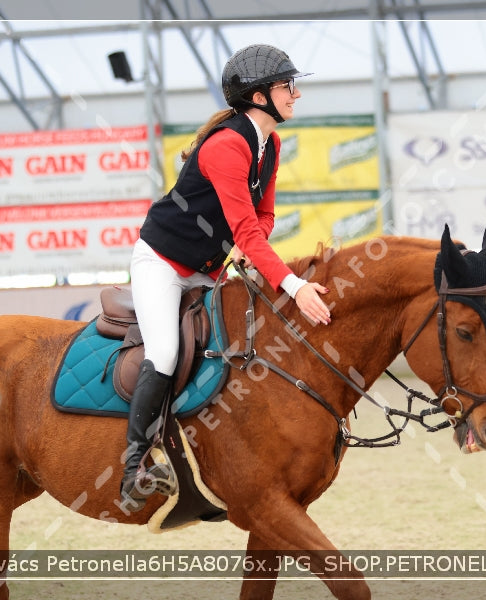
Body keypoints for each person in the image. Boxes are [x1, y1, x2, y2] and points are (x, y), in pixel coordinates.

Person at [120, 44, 333, 508]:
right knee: (165, 349)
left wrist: (248, 251)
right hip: (162, 263)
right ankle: (134, 465)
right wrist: (293, 286)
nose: (296, 94)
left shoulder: (270, 144)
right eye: (287, 87)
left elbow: (263, 219)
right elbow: (247, 232)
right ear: (259, 97)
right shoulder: (227, 146)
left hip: (209, 271)